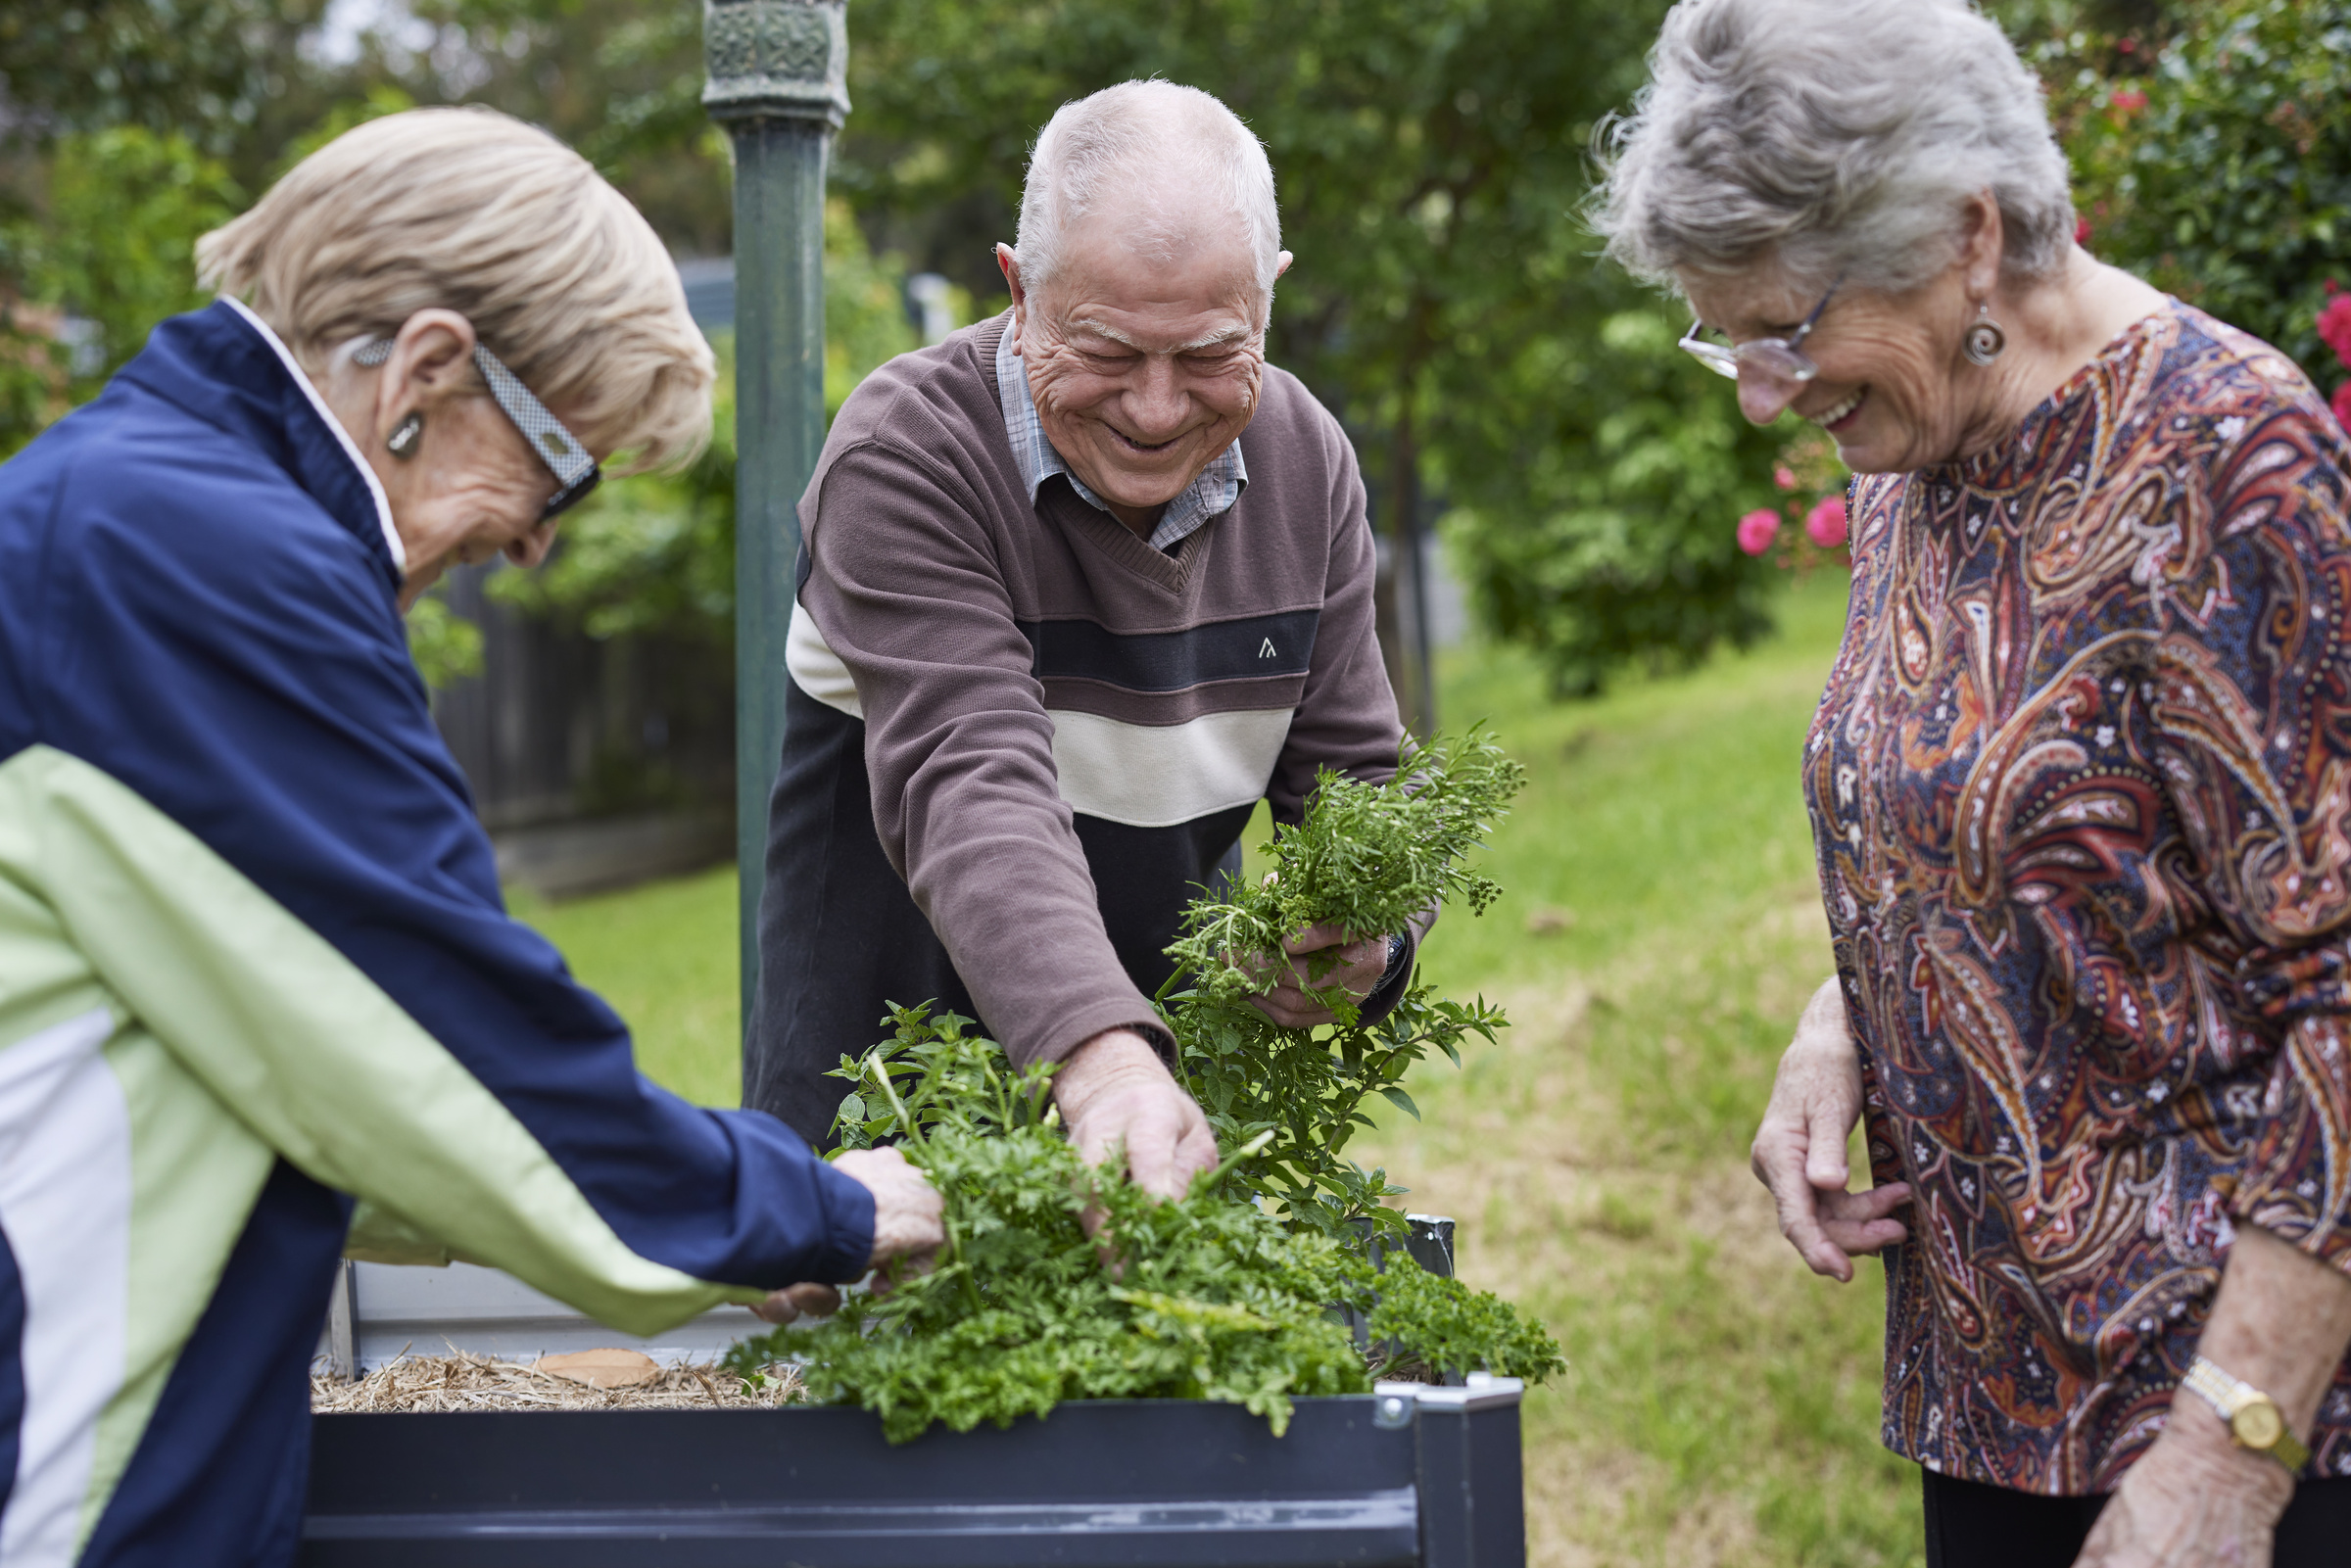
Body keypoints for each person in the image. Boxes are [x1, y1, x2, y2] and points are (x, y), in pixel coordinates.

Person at [0, 108, 941, 1566]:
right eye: (561, 471)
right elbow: (448, 1048)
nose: (532, 546)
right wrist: (806, 1210)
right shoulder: (196, 566)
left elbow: (311, 1079)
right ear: (429, 371)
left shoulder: (119, 512)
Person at [1598, 2, 2351, 1563]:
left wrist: (2230, 1452)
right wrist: (1845, 1013)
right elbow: (2002, 823)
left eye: (1785, 330)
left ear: (1968, 236)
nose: (1755, 392)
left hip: (2233, 1425)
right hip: (1993, 1400)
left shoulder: (2229, 461)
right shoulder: (1919, 451)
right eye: (1723, 334)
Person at [746, 80, 1424, 1192]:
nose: (1156, 410)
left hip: (1167, 1114)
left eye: (1209, 354)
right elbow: (974, 781)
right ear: (1019, 289)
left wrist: (1372, 941)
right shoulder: (908, 457)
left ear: (1269, 299)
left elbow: (1355, 775)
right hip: (882, 1119)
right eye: (1108, 351)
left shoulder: (1309, 463)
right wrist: (1100, 1064)